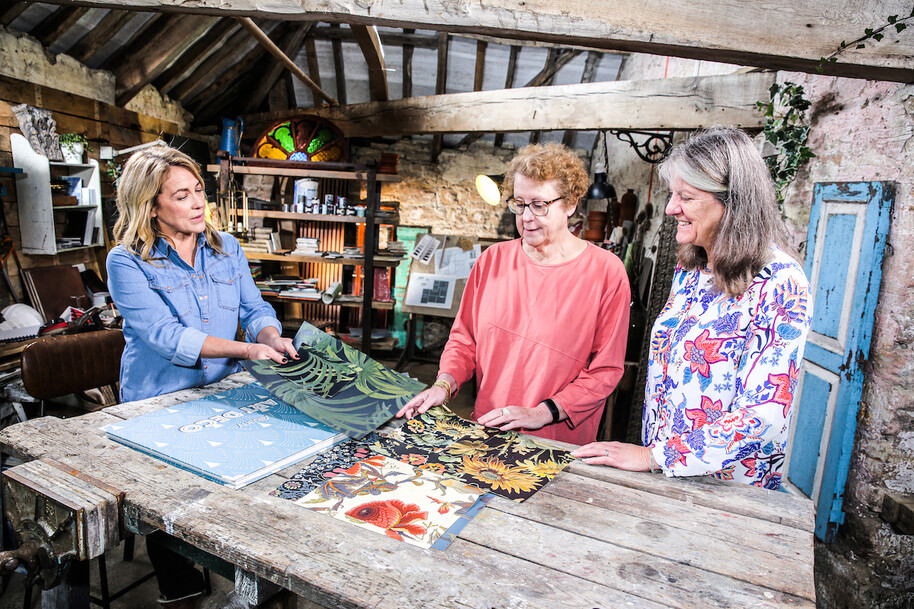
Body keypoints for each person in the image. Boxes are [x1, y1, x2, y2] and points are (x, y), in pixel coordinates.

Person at [107, 145, 298, 607]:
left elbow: (254, 308)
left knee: (233, 489)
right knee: (165, 501)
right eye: (181, 195)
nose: (197, 204)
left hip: (221, 391)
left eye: (199, 192)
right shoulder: (126, 261)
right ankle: (180, 584)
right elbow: (166, 335)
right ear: (151, 206)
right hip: (156, 398)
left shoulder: (225, 247)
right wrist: (248, 349)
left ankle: (247, 576)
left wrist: (269, 336)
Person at [572, 126, 812, 490]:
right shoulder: (692, 269)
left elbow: (764, 416)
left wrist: (656, 457)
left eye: (686, 196)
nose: (671, 208)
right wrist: (655, 456)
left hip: (726, 488)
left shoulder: (780, 282)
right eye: (672, 193)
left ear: (732, 202)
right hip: (667, 472)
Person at [397, 142, 630, 444]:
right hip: (488, 429)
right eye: (519, 204)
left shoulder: (606, 273)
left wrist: (542, 413)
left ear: (571, 203)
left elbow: (605, 371)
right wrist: (443, 385)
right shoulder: (492, 261)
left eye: (539, 204)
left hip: (556, 440)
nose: (526, 217)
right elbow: (464, 340)